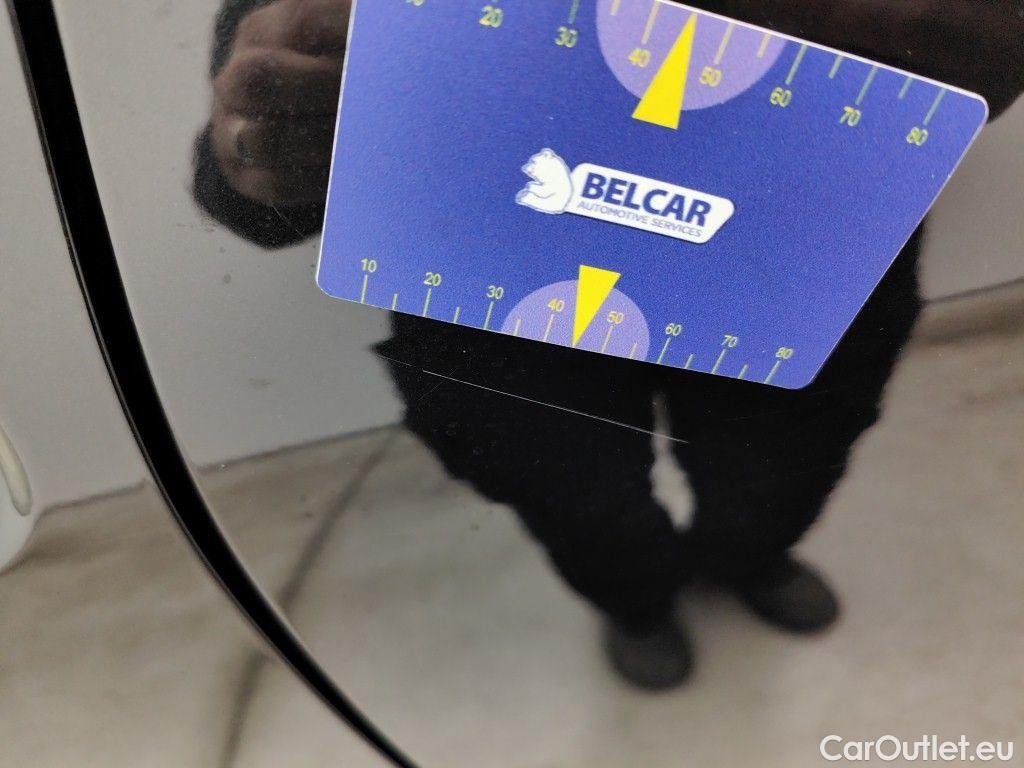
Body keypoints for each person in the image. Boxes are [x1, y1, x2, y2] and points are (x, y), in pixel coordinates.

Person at [194, 0, 1024, 689]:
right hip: (495, 290)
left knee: (782, 475)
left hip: (792, 257)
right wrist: (260, 148)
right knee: (577, 499)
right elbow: (253, 199)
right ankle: (638, 603)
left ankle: (750, 558)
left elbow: (967, 79)